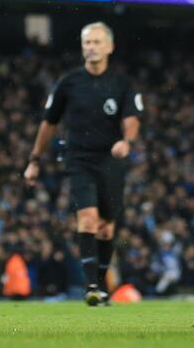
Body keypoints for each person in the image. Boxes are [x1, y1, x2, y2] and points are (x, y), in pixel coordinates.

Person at [24, 22, 143, 306]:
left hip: (111, 161)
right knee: (88, 218)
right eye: (87, 42)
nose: (91, 47)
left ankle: (101, 285)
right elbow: (49, 123)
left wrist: (126, 142)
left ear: (109, 47)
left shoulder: (122, 84)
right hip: (79, 159)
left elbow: (131, 120)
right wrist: (34, 159)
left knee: (106, 228)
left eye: (97, 42)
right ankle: (90, 285)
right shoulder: (69, 83)